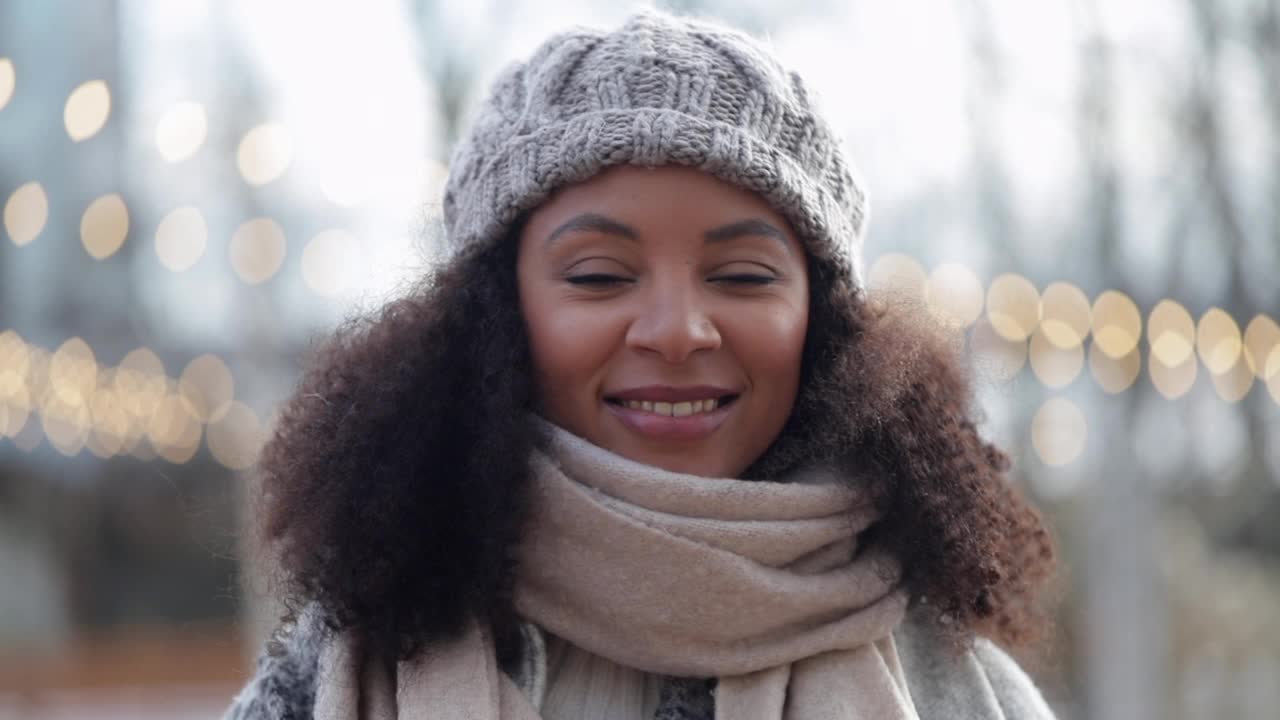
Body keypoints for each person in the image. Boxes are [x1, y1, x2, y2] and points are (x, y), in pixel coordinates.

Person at [225, 9, 1058, 720]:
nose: (677, 331)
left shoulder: (949, 680)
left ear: (825, 322)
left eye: (741, 277)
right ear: (496, 320)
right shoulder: (349, 662)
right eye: (598, 277)